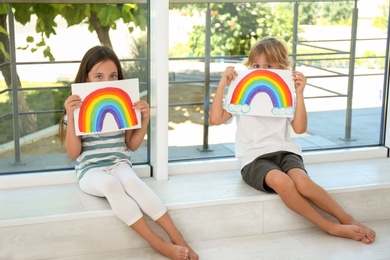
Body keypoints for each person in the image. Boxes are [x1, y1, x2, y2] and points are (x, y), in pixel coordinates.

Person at [209, 36, 376, 244]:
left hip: (285, 151)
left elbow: (299, 128)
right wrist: (222, 85)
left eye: (268, 65)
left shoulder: (286, 92)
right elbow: (215, 119)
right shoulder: (239, 92)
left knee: (303, 184)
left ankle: (347, 218)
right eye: (256, 65)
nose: (261, 70)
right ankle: (330, 226)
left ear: (283, 67)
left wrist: (299, 93)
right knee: (282, 182)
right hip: (253, 159)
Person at [59, 46, 198, 260]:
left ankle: (177, 236)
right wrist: (70, 115)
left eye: (112, 75)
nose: (107, 81)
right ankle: (157, 243)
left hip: (119, 164)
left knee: (132, 183)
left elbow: (131, 146)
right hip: (90, 170)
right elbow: (74, 152)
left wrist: (144, 120)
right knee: (112, 185)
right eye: (98, 76)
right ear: (85, 79)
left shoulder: (122, 104)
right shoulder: (76, 109)